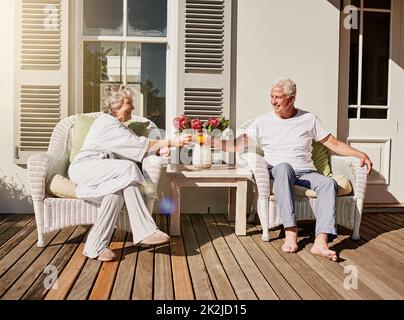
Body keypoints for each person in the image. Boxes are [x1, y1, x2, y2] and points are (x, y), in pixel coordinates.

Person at [214, 78, 372, 262]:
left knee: (329, 183)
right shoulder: (262, 122)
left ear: (291, 98)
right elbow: (237, 145)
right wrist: (211, 141)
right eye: (272, 96)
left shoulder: (308, 119)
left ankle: (321, 241)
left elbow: (333, 143)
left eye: (278, 97)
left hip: (306, 173)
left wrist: (361, 154)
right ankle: (290, 231)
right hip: (279, 172)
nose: (273, 101)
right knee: (283, 168)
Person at [69, 85, 192, 262]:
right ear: (115, 108)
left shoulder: (120, 127)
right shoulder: (106, 123)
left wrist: (157, 152)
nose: (133, 108)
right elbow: (138, 145)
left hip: (103, 173)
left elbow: (136, 145)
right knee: (128, 168)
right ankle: (145, 231)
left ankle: (94, 246)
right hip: (85, 168)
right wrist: (172, 141)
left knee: (115, 196)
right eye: (129, 103)